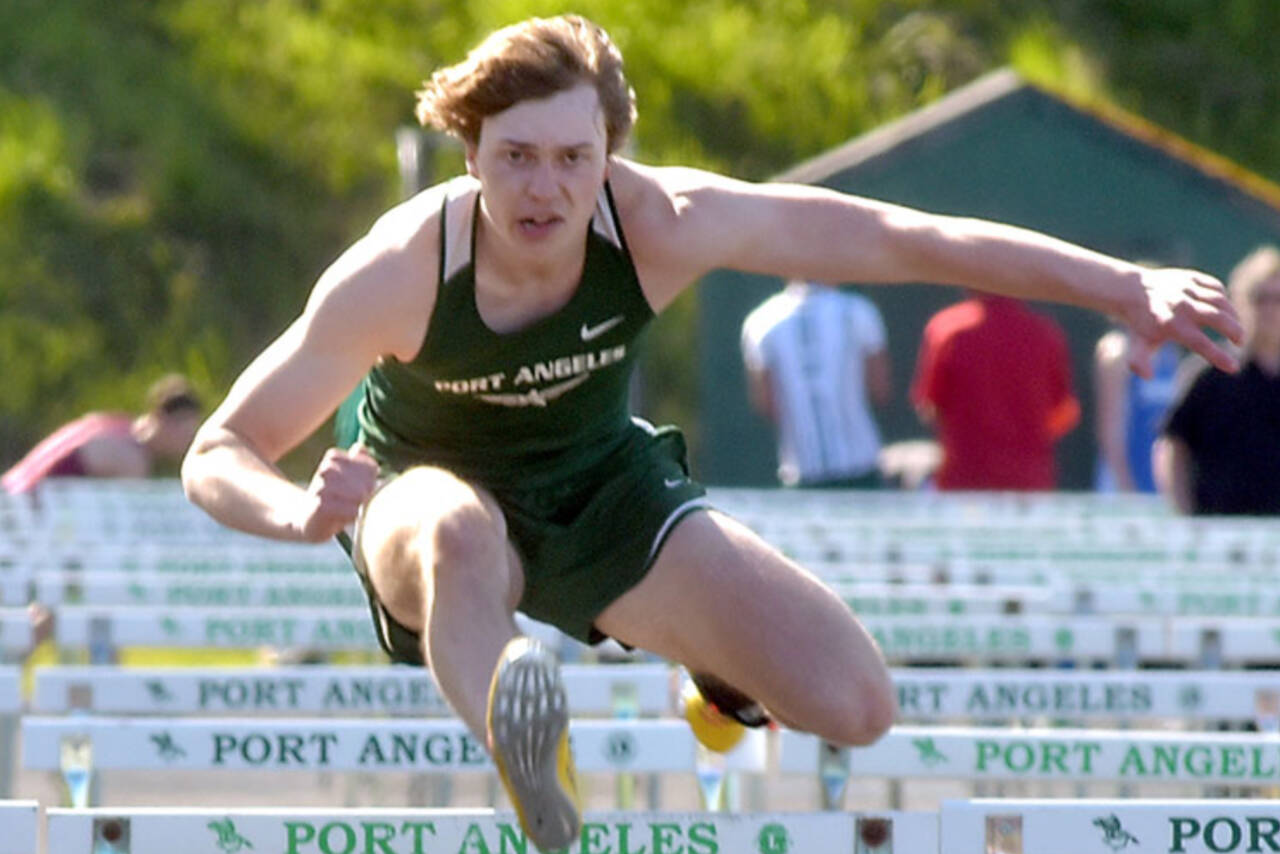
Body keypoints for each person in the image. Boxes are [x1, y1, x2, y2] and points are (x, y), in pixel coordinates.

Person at [179, 15, 1241, 850]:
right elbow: (217, 445)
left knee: (852, 702)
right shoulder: (400, 270)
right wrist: (296, 509)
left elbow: (898, 237)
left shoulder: (661, 221)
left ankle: (704, 662)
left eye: (568, 157)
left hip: (601, 481)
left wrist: (1119, 285)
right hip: (425, 489)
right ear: (469, 152)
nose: (542, 188)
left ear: (610, 153)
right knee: (460, 534)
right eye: (513, 158)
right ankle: (523, 740)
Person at [1155, 245, 1280, 515]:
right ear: (1242, 302)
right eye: (1262, 298)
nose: (1271, 310)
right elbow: (1173, 446)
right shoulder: (1212, 373)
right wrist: (1183, 514)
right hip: (1218, 533)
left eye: (1278, 299)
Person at [911, 292, 1080, 490]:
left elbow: (929, 407)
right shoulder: (1045, 333)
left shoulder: (948, 329)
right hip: (1028, 485)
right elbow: (1063, 414)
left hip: (964, 485)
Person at [741, 279, 891, 488]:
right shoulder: (859, 311)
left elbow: (766, 404)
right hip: (861, 468)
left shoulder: (761, 320)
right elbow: (879, 389)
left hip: (801, 470)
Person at [2, 373, 203, 495]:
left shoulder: (111, 423)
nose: (186, 443)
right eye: (185, 433)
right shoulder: (131, 460)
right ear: (163, 420)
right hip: (22, 514)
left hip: (10, 492)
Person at [1093, 327, 1181, 492]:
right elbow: (1110, 432)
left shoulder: (1170, 353)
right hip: (1124, 484)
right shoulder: (1117, 352)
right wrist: (1126, 487)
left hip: (1157, 484)